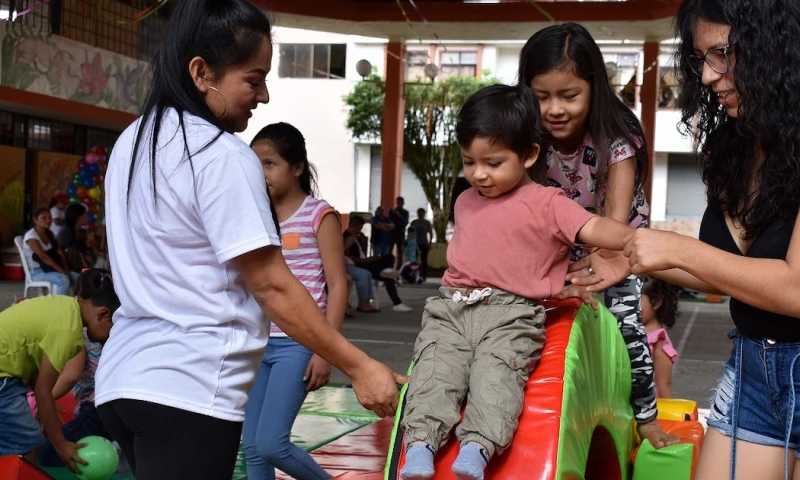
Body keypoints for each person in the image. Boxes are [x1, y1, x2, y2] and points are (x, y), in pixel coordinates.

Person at [95, 2, 405, 479]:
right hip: (189, 388)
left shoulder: (133, 141)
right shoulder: (221, 154)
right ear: (201, 72)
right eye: (253, 79)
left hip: (123, 381)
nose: (262, 96)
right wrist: (359, 366)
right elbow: (272, 286)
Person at [568, 0, 800, 477]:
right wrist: (631, 259)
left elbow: (795, 290)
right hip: (756, 370)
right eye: (700, 60)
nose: (710, 77)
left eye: (723, 53)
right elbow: (724, 268)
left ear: (775, 48)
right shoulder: (729, 149)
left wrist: (677, 247)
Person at [400, 84, 637, 480]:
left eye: (493, 163)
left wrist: (634, 241)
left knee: (497, 376)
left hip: (510, 315)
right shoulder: (465, 201)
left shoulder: (548, 203)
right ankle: (421, 445)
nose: (478, 174)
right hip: (451, 307)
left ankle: (477, 447)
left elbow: (594, 227)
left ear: (528, 154)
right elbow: (501, 250)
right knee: (434, 372)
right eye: (468, 161)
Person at [519, 22, 677, 448]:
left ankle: (645, 415)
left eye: (569, 96)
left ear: (593, 88)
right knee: (526, 313)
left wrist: (598, 271)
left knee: (628, 323)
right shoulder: (527, 137)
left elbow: (616, 220)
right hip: (562, 236)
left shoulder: (616, 138)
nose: (554, 108)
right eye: (541, 96)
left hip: (618, 240)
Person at [242, 122, 347, 480]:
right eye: (256, 165)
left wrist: (326, 350)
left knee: (272, 443)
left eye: (270, 163)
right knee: (254, 448)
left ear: (297, 167)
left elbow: (338, 284)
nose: (262, 173)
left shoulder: (319, 215)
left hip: (300, 343)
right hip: (257, 343)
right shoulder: (256, 217)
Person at [0, 269, 117, 473]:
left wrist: (48, 410)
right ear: (103, 314)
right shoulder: (69, 330)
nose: (107, 338)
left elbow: (34, 358)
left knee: (14, 435)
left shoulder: (66, 308)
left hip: (7, 373)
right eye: (112, 329)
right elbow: (42, 391)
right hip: (3, 377)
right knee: (30, 442)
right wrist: (61, 444)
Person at [38, 270, 127, 471]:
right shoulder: (115, 322)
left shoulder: (78, 328)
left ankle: (117, 453)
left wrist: (43, 403)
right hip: (119, 404)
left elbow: (71, 375)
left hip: (98, 408)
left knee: (47, 455)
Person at [345, 215, 413, 312]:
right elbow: (348, 258)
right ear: (352, 226)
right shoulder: (346, 237)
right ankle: (397, 303)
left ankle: (386, 270)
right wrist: (366, 260)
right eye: (359, 228)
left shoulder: (358, 237)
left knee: (390, 257)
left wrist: (369, 257)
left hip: (366, 261)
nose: (360, 230)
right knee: (388, 277)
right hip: (360, 265)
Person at [22, 208, 75, 295]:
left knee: (80, 278)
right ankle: (57, 307)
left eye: (50, 217)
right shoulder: (31, 236)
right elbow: (43, 257)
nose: (48, 220)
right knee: (63, 280)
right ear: (35, 220)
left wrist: (66, 269)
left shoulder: (50, 234)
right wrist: (62, 271)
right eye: (44, 218)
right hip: (37, 272)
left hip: (52, 269)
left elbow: (60, 253)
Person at [641, 278, 680, 399]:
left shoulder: (659, 341)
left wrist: (671, 416)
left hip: (647, 409)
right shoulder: (632, 331)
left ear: (657, 302)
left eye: (636, 301)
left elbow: (664, 385)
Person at [57, 204, 96, 273]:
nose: (87, 217)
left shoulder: (81, 231)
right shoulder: (65, 232)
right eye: (85, 214)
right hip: (72, 267)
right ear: (78, 217)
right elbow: (65, 252)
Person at [410, 208, 433, 281]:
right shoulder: (414, 222)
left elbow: (430, 232)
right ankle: (413, 274)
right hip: (415, 243)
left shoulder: (427, 222)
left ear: (424, 214)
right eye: (419, 213)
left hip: (424, 243)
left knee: (424, 260)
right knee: (414, 260)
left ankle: (424, 276)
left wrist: (430, 242)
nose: (420, 214)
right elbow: (410, 232)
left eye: (422, 213)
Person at [389, 197, 410, 269]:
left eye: (401, 203)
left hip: (401, 234)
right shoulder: (391, 211)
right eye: (398, 203)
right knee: (389, 252)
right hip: (391, 234)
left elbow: (405, 223)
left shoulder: (405, 212)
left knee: (400, 253)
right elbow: (389, 222)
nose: (399, 204)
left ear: (403, 203)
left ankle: (398, 269)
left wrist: (399, 216)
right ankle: (388, 267)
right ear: (396, 203)